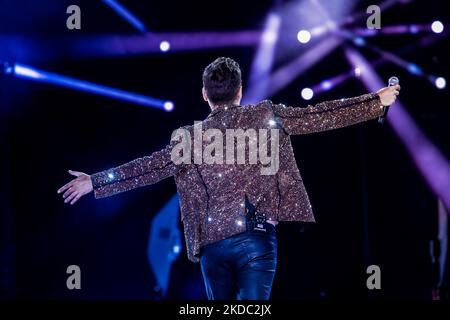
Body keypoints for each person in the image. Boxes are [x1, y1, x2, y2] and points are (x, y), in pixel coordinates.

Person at [58, 57, 400, 300]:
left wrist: (97, 180)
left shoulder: (189, 137)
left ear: (205, 94)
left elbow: (149, 167)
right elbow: (320, 116)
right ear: (240, 91)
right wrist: (375, 102)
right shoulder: (264, 115)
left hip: (212, 245)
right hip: (255, 238)